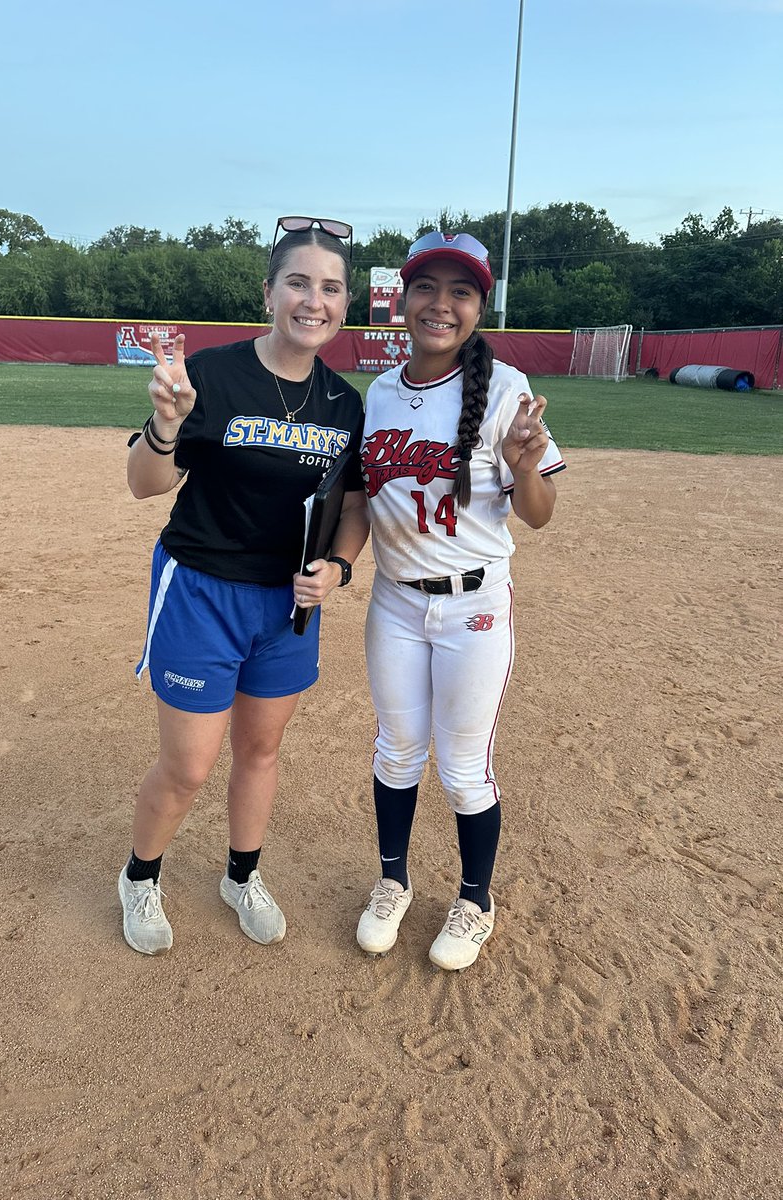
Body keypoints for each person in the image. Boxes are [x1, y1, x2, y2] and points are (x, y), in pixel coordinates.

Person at [118, 216, 369, 956]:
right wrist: (165, 426)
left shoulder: (343, 404)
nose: (312, 300)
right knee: (189, 764)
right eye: (298, 282)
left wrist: (340, 566)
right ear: (269, 292)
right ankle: (139, 877)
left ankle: (241, 875)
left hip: (287, 605)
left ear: (345, 304)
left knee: (260, 751)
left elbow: (352, 508)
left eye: (329, 287)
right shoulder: (215, 373)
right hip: (202, 590)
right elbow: (144, 484)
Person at [357, 231, 566, 971]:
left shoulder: (507, 390)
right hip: (394, 604)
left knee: (464, 766)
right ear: (401, 299)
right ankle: (392, 881)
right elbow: (360, 500)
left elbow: (538, 514)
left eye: (461, 292)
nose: (440, 304)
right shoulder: (379, 393)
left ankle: (476, 900)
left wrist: (525, 466)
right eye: (426, 287)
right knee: (396, 749)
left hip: (475, 607)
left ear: (479, 307)